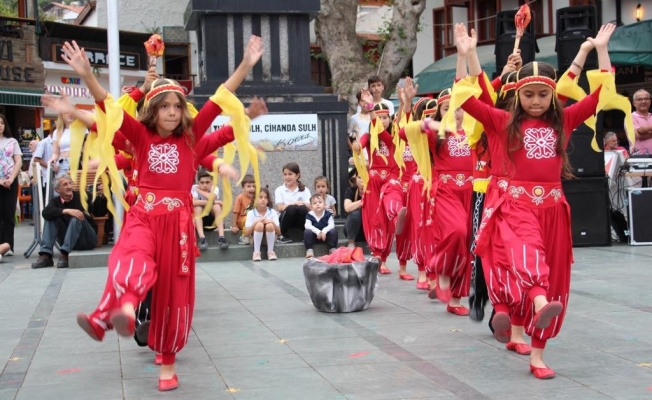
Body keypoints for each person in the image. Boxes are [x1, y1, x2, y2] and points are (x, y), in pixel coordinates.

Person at [59, 36, 262, 391]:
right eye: (164, 106)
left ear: (184, 112)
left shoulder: (190, 137)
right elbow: (109, 108)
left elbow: (219, 100)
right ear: (153, 112)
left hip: (179, 225)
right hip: (143, 215)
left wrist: (246, 65)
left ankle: (166, 365)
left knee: (172, 291)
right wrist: (89, 76)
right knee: (128, 257)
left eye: (177, 106)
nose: (171, 111)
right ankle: (120, 310)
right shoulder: (138, 138)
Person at [455, 23, 616, 379]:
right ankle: (534, 303)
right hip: (515, 205)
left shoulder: (565, 121)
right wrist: (465, 54)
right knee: (527, 257)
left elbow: (599, 98)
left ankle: (538, 353)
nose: (537, 101)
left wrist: (599, 50)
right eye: (529, 95)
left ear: (551, 95)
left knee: (556, 276)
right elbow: (467, 98)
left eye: (543, 95)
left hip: (555, 210)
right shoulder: (500, 122)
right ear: (518, 96)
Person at [30, 174, 98, 269]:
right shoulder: (55, 201)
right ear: (57, 190)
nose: (69, 186)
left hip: (86, 238)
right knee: (50, 217)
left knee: (76, 216)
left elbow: (100, 211)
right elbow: (45, 213)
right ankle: (46, 256)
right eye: (65, 184)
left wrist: (101, 197)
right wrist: (66, 211)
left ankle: (65, 255)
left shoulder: (83, 196)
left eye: (70, 183)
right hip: (68, 241)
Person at [0, 114, 22, 254]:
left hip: (10, 182)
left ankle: (8, 245)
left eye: (2, 122)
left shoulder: (12, 141)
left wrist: (11, 179)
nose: (0, 125)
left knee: (9, 214)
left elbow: (18, 161)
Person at [192, 169, 228, 250]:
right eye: (202, 182)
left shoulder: (215, 188)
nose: (204, 185)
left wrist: (199, 190)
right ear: (198, 182)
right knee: (197, 208)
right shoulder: (194, 188)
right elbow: (193, 202)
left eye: (207, 182)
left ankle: (221, 237)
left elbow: (211, 197)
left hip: (212, 222)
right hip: (199, 222)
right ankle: (202, 238)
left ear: (212, 182)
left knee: (216, 207)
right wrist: (215, 201)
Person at [275, 162, 311, 243]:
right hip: (285, 220)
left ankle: (305, 234)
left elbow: (310, 207)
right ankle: (282, 235)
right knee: (292, 208)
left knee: (302, 208)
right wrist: (294, 203)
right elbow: (280, 208)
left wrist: (301, 203)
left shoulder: (305, 190)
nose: (287, 177)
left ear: (297, 175)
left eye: (290, 174)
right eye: (285, 174)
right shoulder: (279, 190)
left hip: (300, 220)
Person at [244, 187, 280, 261]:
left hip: (269, 239)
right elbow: (247, 233)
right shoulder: (251, 213)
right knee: (259, 225)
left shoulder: (272, 212)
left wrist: (272, 222)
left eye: (265, 197)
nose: (263, 200)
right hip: (254, 239)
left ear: (268, 200)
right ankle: (256, 252)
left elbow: (279, 232)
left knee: (270, 225)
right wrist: (255, 222)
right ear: (255, 199)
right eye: (260, 197)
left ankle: (270, 251)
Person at [303, 193, 337, 258]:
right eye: (315, 203)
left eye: (320, 202)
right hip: (314, 237)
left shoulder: (328, 214)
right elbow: (307, 225)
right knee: (307, 232)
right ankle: (309, 250)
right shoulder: (310, 215)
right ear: (311, 207)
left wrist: (324, 231)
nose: (317, 204)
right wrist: (318, 232)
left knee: (333, 231)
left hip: (326, 236)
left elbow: (331, 224)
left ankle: (332, 248)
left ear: (324, 205)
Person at [49, 111, 80, 179]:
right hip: (63, 163)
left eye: (72, 112)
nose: (70, 114)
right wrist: (53, 160)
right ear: (61, 115)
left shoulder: (81, 129)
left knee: (76, 187)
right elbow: (55, 153)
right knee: (62, 187)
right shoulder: (57, 132)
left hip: (78, 162)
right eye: (66, 112)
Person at [231, 174, 256, 245]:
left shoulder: (257, 198)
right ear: (243, 188)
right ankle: (244, 237)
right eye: (248, 186)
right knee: (248, 218)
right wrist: (234, 225)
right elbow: (235, 212)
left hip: (254, 220)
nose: (252, 188)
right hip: (242, 220)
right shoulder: (240, 198)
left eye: (254, 186)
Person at [343, 174, 364, 248]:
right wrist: (363, 200)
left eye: (364, 177)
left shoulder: (374, 190)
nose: (361, 180)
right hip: (353, 231)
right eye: (359, 177)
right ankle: (351, 243)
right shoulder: (351, 190)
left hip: (369, 231)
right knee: (355, 214)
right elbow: (347, 208)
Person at [631, 89, 652, 155]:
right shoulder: (630, 118)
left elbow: (645, 132)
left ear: (650, 101)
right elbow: (639, 135)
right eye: (640, 99)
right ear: (634, 103)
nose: (643, 101)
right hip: (640, 159)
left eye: (646, 99)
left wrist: (648, 128)